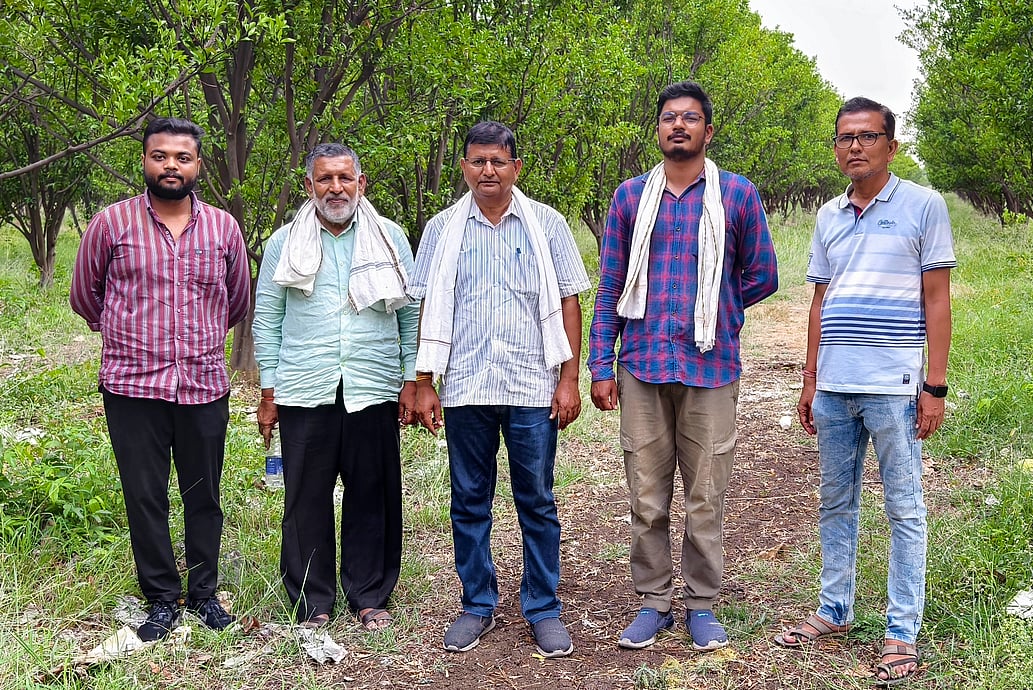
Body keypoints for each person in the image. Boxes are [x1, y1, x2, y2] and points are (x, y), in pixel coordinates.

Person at [588, 81, 779, 652]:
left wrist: (715, 310)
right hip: (642, 365)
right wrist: (601, 363)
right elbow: (611, 284)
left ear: (707, 131)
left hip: (711, 365)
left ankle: (699, 603)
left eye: (690, 119)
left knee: (706, 491)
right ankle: (653, 601)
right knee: (646, 495)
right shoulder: (629, 197)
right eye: (669, 118)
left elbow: (762, 273)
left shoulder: (737, 196)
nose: (679, 126)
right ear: (658, 130)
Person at [776, 96, 954, 686]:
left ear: (890, 145)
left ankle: (902, 632)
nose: (855, 146)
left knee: (903, 508)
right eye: (845, 137)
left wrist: (934, 384)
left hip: (896, 388)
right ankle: (835, 611)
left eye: (867, 136)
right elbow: (820, 301)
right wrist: (809, 379)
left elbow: (936, 300)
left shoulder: (923, 206)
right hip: (834, 386)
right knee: (835, 503)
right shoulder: (827, 216)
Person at [408, 121, 590, 659]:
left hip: (532, 385)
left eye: (498, 161)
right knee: (469, 500)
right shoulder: (442, 230)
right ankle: (477, 603)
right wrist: (424, 383)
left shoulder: (546, 225)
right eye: (477, 161)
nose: (488, 170)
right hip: (464, 385)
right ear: (463, 167)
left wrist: (569, 376)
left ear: (516, 167)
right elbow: (427, 307)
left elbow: (569, 301)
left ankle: (543, 607)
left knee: (536, 498)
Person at [70, 117, 250, 642]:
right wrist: (130, 335)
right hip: (132, 386)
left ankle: (203, 595)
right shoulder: (111, 224)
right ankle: (161, 598)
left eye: (182, 157)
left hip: (202, 383)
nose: (171, 165)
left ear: (198, 165)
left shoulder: (223, 228)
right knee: (143, 494)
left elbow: (236, 301)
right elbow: (86, 295)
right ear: (145, 161)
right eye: (160, 156)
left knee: (204, 493)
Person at [252, 143, 418, 631]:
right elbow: (268, 319)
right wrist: (269, 392)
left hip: (373, 384)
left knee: (373, 493)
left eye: (345, 178)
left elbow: (409, 314)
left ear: (361, 184)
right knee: (306, 498)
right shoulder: (285, 243)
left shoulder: (390, 238)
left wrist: (411, 380)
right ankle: (314, 602)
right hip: (306, 387)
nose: (336, 188)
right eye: (324, 179)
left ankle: (369, 596)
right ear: (310, 187)